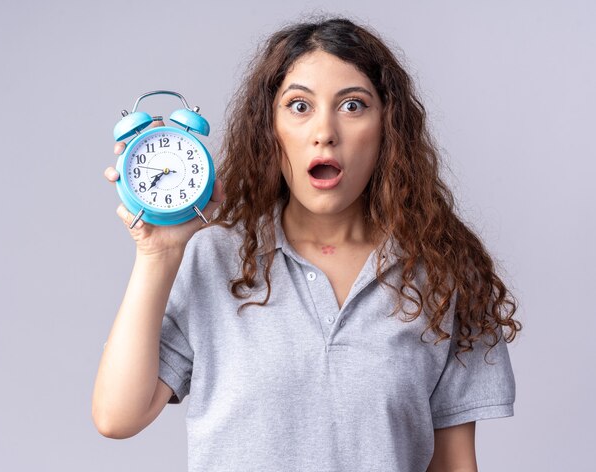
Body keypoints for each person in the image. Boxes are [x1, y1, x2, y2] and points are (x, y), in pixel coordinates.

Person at [93, 17, 521, 472]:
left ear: (387, 130)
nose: (325, 131)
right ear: (270, 130)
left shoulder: (443, 272)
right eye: (299, 106)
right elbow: (117, 416)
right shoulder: (214, 256)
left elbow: (455, 464)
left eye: (353, 105)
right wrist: (157, 254)